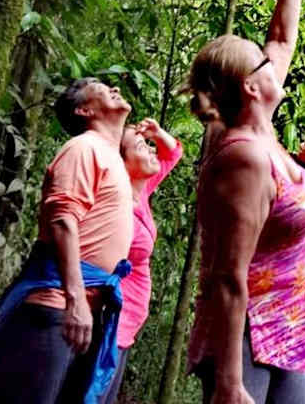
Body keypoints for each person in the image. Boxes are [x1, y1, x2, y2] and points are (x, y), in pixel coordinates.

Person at [186, 0, 305, 404]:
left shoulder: (262, 133)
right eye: (264, 63)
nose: (275, 61)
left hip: (285, 331)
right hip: (244, 338)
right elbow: (227, 275)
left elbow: (282, 40)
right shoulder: (243, 156)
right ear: (251, 86)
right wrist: (229, 381)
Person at [0, 78, 134, 404]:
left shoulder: (111, 156)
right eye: (100, 87)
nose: (113, 88)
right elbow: (63, 220)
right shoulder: (84, 148)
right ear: (84, 110)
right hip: (56, 305)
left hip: (81, 306)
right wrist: (75, 299)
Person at [101, 118, 183, 404]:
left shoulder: (142, 189)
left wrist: (157, 133)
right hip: (111, 321)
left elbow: (173, 153)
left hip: (127, 325)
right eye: (141, 146)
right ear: (122, 163)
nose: (151, 150)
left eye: (148, 145)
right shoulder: (117, 204)